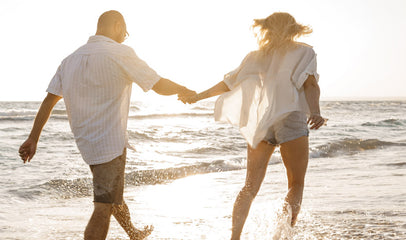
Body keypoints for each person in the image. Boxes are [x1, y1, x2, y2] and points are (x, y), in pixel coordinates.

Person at [18, 10, 195, 240]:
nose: (125, 36)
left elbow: (49, 100)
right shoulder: (120, 53)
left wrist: (33, 138)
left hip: (87, 144)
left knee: (112, 196)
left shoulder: (70, 60)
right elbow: (157, 84)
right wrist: (183, 90)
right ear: (117, 25)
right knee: (102, 207)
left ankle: (133, 233)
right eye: (125, 31)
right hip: (110, 145)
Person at [180, 12, 326, 239]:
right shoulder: (304, 52)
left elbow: (228, 83)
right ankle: (281, 235)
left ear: (267, 29)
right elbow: (310, 85)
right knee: (295, 183)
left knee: (249, 187)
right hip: (290, 118)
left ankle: (234, 237)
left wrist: (198, 96)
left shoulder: (255, 56)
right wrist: (315, 112)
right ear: (293, 28)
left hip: (262, 123)